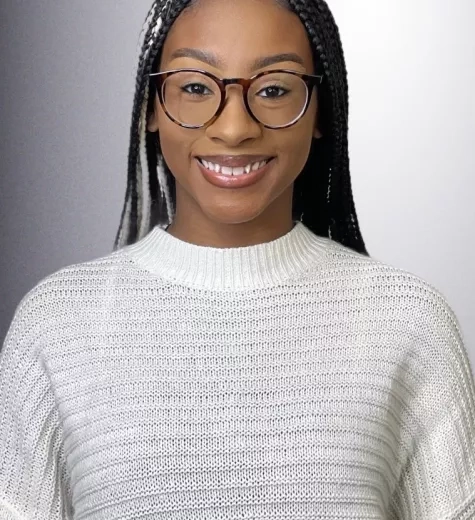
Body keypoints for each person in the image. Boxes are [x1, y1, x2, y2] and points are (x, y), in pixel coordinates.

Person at [1, 0, 474, 518]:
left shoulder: (407, 323)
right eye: (196, 87)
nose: (233, 129)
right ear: (152, 108)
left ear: (319, 110)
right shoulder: (57, 326)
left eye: (273, 89)